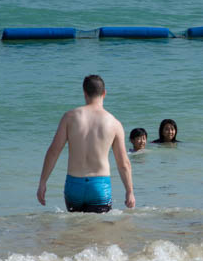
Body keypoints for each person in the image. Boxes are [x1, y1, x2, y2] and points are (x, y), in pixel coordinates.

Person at [37, 75, 135, 212]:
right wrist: (129, 191)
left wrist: (43, 182)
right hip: (99, 186)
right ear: (104, 93)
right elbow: (123, 162)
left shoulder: (70, 117)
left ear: (84, 92)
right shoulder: (114, 123)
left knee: (75, 229)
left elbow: (54, 151)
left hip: (74, 185)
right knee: (100, 230)